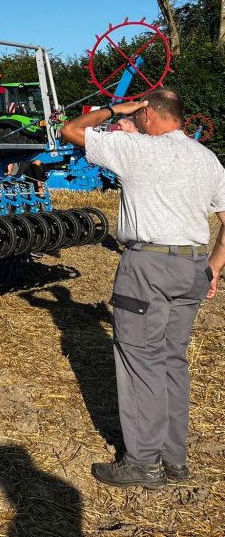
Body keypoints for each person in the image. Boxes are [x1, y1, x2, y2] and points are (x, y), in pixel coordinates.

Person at [60, 89, 225, 489]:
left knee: (141, 362)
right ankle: (174, 458)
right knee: (172, 360)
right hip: (192, 266)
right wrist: (214, 268)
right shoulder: (207, 159)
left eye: (141, 111)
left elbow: (71, 129)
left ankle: (143, 463)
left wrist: (119, 108)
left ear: (148, 113)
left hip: (147, 265)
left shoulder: (137, 149)